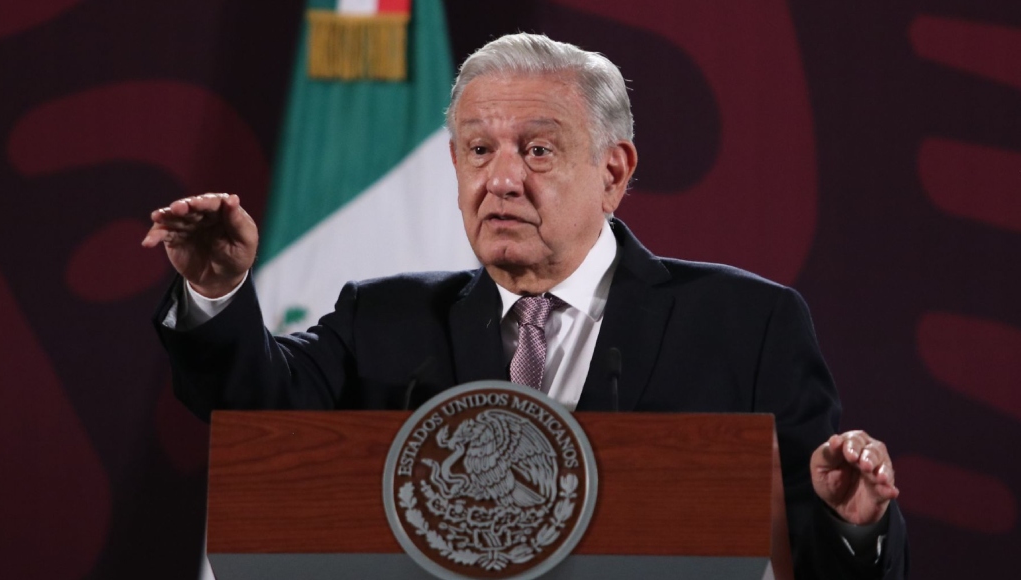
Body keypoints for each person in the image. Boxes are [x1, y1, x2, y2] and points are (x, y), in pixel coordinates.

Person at [144, 33, 907, 579]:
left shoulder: (747, 324)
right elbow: (254, 407)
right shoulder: (385, 321)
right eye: (478, 150)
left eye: (537, 150)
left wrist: (854, 521)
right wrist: (217, 290)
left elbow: (821, 552)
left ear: (613, 171)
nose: (501, 179)